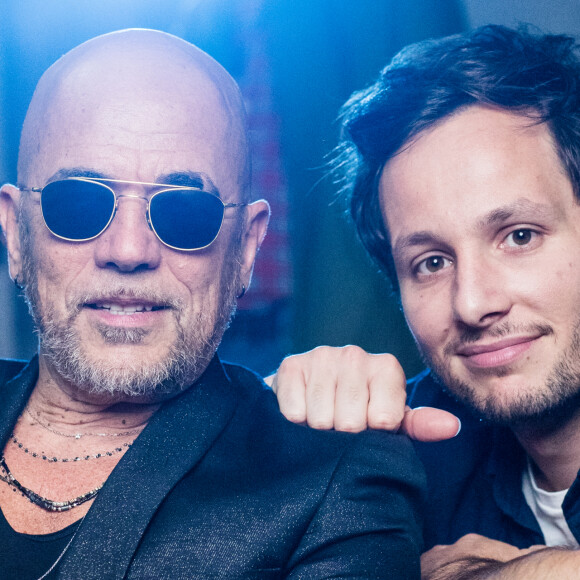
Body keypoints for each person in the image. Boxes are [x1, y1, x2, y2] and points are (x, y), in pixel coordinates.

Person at [0, 29, 426, 579]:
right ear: (15, 234)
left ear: (247, 247)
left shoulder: (337, 481)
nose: (129, 250)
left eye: (185, 212)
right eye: (79, 203)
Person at [272, 24, 580, 578]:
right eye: (431, 263)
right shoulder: (417, 442)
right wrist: (275, 423)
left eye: (519, 236)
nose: (473, 303)